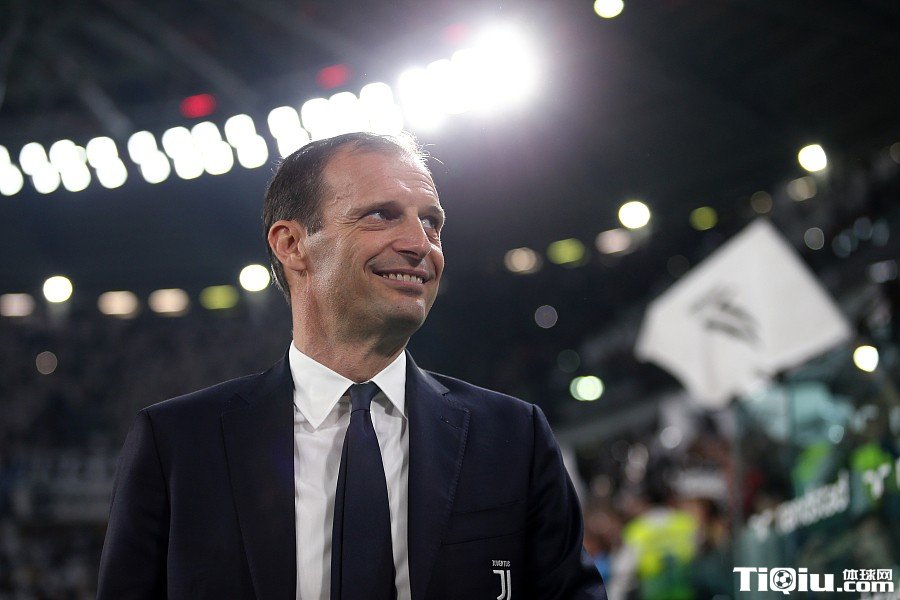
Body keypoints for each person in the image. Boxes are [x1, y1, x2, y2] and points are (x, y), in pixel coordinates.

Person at [97, 131, 605, 599]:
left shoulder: (514, 437)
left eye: (431, 222)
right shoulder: (178, 444)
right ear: (292, 244)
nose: (420, 244)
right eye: (382, 215)